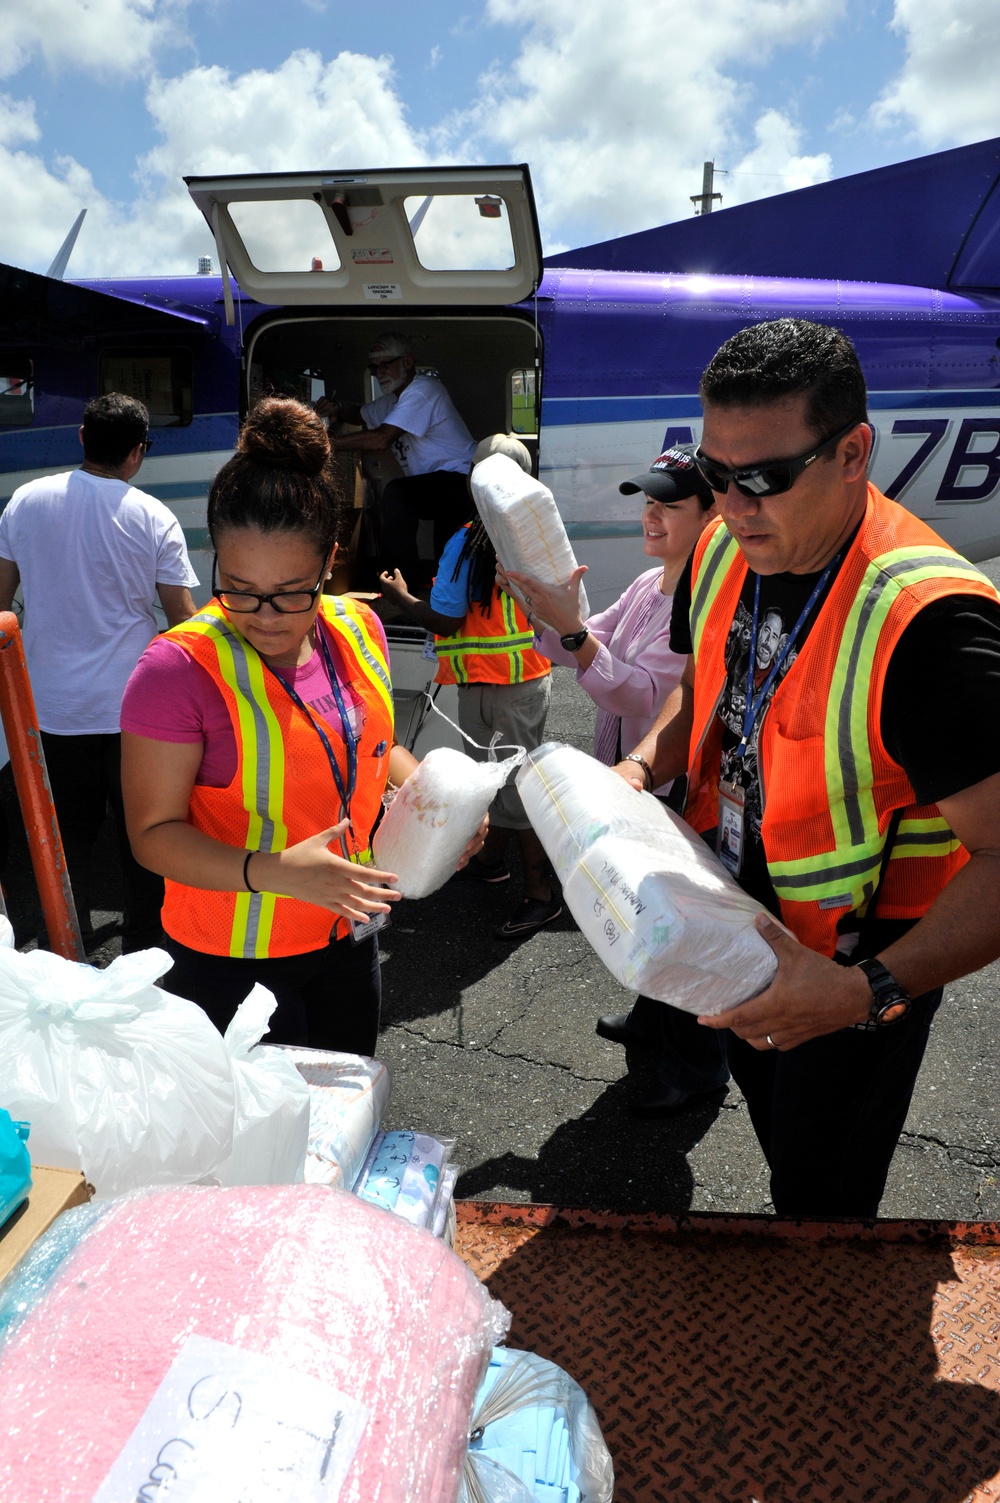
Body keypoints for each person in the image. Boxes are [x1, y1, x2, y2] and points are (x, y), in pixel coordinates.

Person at [614, 317, 1000, 1218]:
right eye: (716, 476)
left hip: (854, 976)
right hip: (737, 928)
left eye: (765, 480)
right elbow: (702, 692)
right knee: (776, 1135)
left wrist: (863, 993)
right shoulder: (717, 547)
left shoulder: (931, 628)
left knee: (821, 1199)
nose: (735, 506)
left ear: (854, 452)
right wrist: (635, 770)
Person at [121, 397, 485, 1053]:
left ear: (330, 561)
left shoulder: (358, 626)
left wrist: (437, 801)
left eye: (293, 590)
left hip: (346, 941)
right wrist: (277, 870)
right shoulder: (176, 671)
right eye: (237, 587)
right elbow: (152, 835)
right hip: (228, 967)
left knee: (342, 1122)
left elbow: (376, 746)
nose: (263, 614)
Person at [500, 448, 727, 1115]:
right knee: (651, 915)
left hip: (669, 786)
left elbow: (637, 695)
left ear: (712, 515)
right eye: (647, 501)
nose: (650, 514)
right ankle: (654, 1022)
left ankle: (697, 1067)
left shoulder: (700, 599)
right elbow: (581, 641)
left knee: (681, 926)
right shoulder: (649, 583)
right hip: (634, 784)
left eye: (669, 504)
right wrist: (547, 613)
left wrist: (571, 631)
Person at [0, 392, 198, 952]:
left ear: (83, 438)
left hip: (49, 709)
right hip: (134, 711)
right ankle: (145, 948)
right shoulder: (154, 516)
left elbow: (2, 607)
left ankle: (69, 948)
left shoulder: (25, 502)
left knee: (62, 840)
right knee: (145, 834)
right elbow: (184, 620)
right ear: (137, 453)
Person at [378, 434, 561, 940]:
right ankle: (493, 862)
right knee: (501, 780)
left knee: (511, 786)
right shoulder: (533, 535)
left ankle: (540, 895)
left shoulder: (467, 540)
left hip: (486, 683)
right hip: (523, 680)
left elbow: (446, 620)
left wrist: (400, 596)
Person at [319, 333, 476, 587]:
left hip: (460, 481)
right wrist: (335, 407)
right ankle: (414, 587)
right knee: (412, 509)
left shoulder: (423, 390)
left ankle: (402, 583)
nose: (379, 373)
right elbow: (359, 413)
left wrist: (326, 445)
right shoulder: (394, 400)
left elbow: (381, 439)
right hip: (439, 484)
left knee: (399, 494)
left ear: (408, 362)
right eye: (374, 368)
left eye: (386, 365)